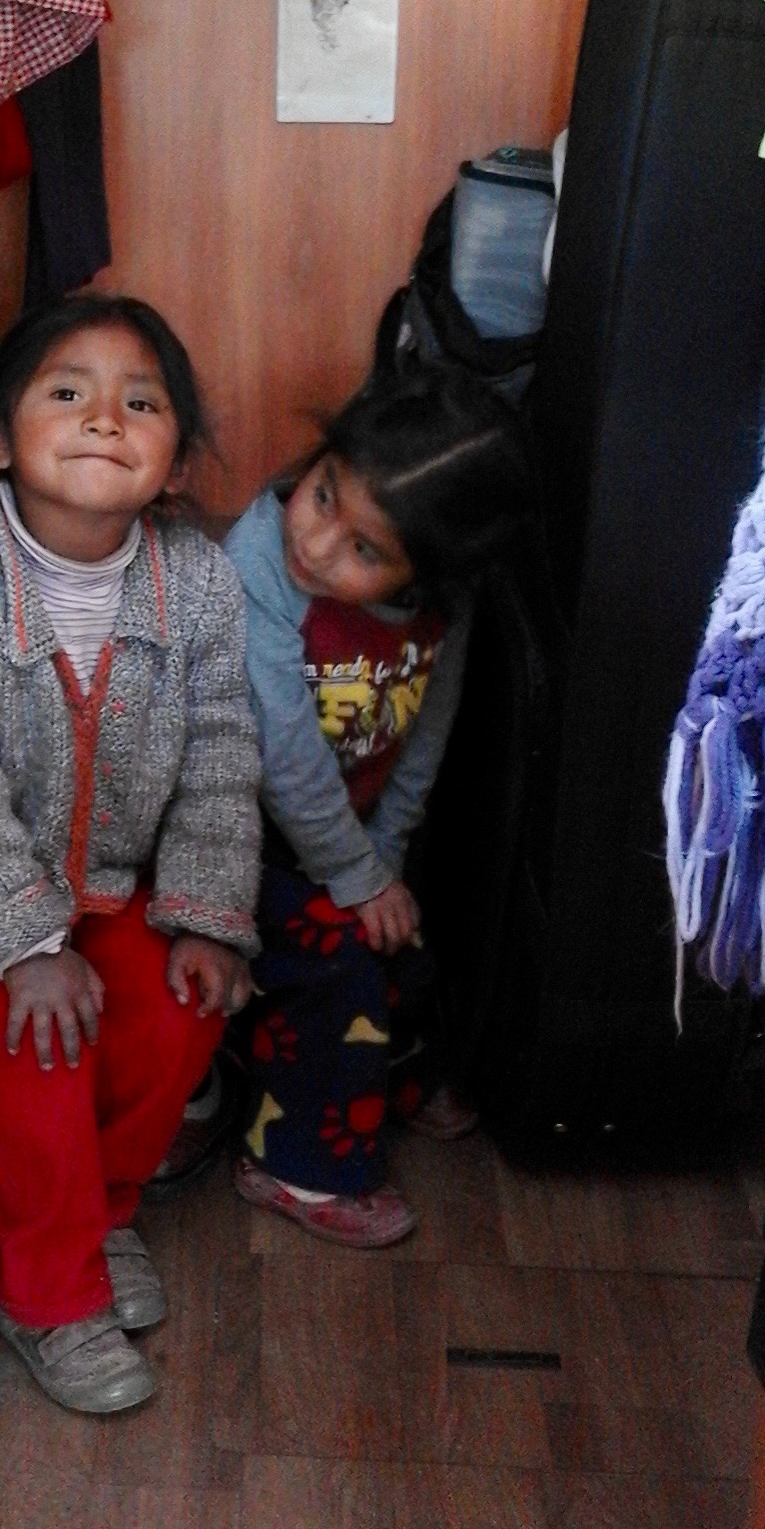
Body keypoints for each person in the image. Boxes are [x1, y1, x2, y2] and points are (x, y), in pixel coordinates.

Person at [0, 296, 262, 1415]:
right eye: (67, 392)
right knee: (47, 1038)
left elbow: (222, 753)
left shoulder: (198, 583)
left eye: (140, 403)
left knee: (187, 1005)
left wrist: (206, 914)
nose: (105, 418)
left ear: (175, 465)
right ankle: (47, 1293)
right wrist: (27, 944)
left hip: (112, 888)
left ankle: (100, 1210)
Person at [224, 362, 531, 1247]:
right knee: (339, 965)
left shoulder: (446, 603)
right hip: (235, 833)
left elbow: (426, 728)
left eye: (365, 550)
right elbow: (282, 756)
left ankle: (382, 1076)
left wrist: (385, 856)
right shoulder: (258, 565)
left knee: (408, 941)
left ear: (426, 574)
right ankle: (295, 1165)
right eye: (322, 496)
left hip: (338, 838)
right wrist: (356, 877)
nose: (318, 545)